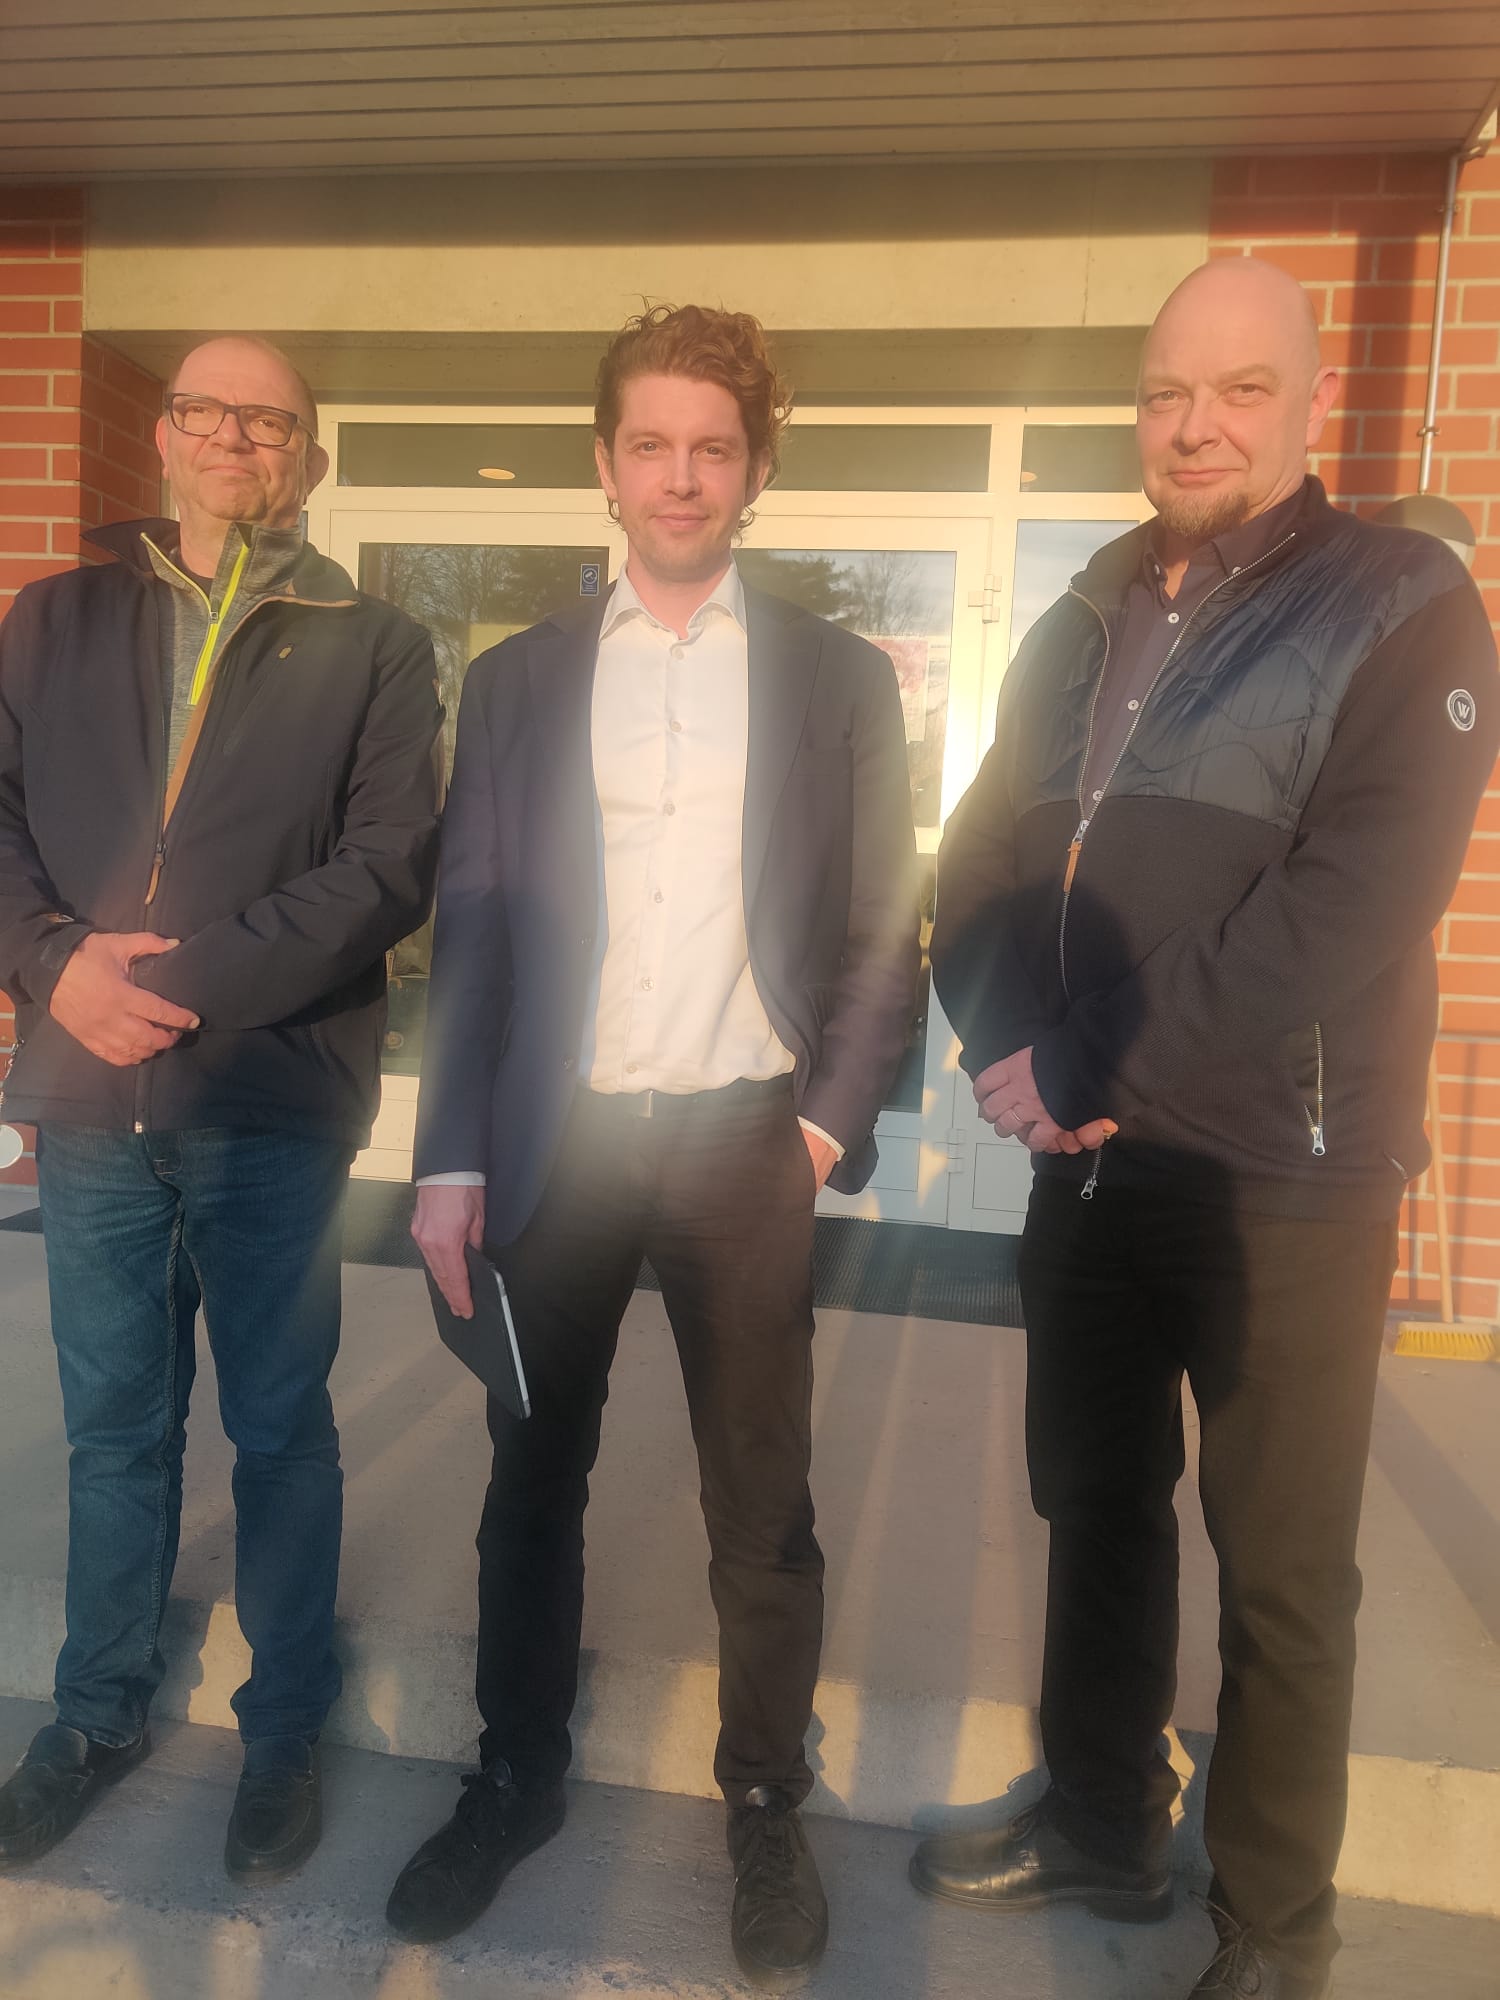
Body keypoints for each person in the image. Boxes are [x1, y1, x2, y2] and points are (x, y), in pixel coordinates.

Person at [915, 258, 1499, 1999]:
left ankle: (1275, 1925)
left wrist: (1092, 1055)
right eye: (1169, 390)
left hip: (1284, 1181)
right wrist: (1010, 1045)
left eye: (1241, 390)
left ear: (1313, 403)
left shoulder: (1402, 601)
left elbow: (1354, 899)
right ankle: (1104, 1817)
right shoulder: (1081, 611)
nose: (1196, 425)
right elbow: (981, 853)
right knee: (1095, 1505)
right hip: (1091, 1167)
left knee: (1284, 1571)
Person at [388, 304, 919, 1987]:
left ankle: (764, 1798)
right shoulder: (519, 679)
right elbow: (476, 931)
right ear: (605, 465)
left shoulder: (837, 677)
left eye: (712, 448)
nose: (680, 476)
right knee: (530, 1478)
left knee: (761, 1499)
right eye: (650, 445)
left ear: (755, 471)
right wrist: (449, 1160)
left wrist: (822, 1130)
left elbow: (880, 929)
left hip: (747, 1145)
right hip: (561, 1145)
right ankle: (515, 1774)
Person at [0, 337, 443, 1884]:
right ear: (166, 438)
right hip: (89, 1099)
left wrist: (172, 985)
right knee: (116, 1434)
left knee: (278, 1431)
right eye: (208, 411)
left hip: (267, 1096)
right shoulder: (52, 619)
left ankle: (283, 1730)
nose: (236, 439)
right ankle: (97, 1715)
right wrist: (55, 969)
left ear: (308, 459)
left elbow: (387, 867)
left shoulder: (377, 643)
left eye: (272, 421)